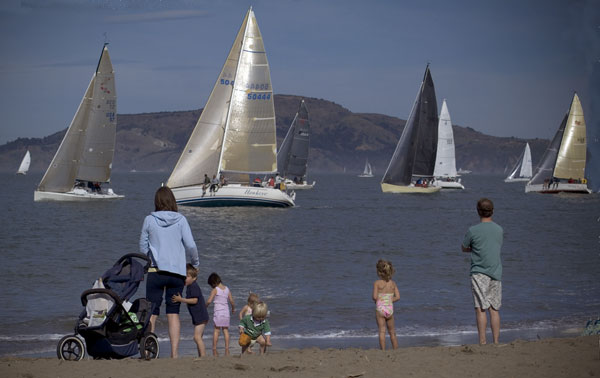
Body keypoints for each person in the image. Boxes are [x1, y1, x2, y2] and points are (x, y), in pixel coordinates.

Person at [139, 186, 200, 358]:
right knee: (173, 313)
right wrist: (195, 263)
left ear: (156, 202)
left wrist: (150, 257)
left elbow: (143, 246)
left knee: (152, 313)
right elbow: (191, 245)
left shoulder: (149, 220)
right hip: (176, 274)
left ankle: (147, 350)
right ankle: (174, 354)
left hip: (156, 272)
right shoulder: (181, 220)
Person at [462, 198, 503, 345]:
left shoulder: (473, 230)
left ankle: (483, 341)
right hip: (496, 271)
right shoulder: (499, 229)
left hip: (479, 272)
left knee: (480, 307)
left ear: (478, 211)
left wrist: (474, 249)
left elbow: (464, 247)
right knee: (494, 308)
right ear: (492, 211)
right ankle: (496, 341)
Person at [171, 264, 209, 357]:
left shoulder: (193, 286)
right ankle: (201, 355)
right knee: (198, 337)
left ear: (194, 278)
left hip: (201, 316)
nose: (185, 279)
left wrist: (181, 300)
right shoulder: (190, 286)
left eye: (187, 277)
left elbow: (194, 300)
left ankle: (203, 357)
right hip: (199, 317)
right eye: (184, 276)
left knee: (197, 337)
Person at [373, 259, 400, 350]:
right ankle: (396, 349)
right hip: (389, 309)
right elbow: (398, 297)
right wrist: (389, 300)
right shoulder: (393, 284)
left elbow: (374, 297)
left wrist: (378, 300)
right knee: (392, 332)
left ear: (379, 272)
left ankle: (383, 351)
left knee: (382, 331)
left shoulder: (377, 283)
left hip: (380, 309)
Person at [206, 272, 235, 356]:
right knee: (225, 330)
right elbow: (232, 301)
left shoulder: (215, 290)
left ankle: (214, 347)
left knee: (216, 330)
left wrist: (205, 307)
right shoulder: (227, 289)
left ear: (213, 283)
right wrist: (233, 309)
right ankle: (226, 347)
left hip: (218, 312)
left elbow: (209, 301)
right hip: (226, 313)